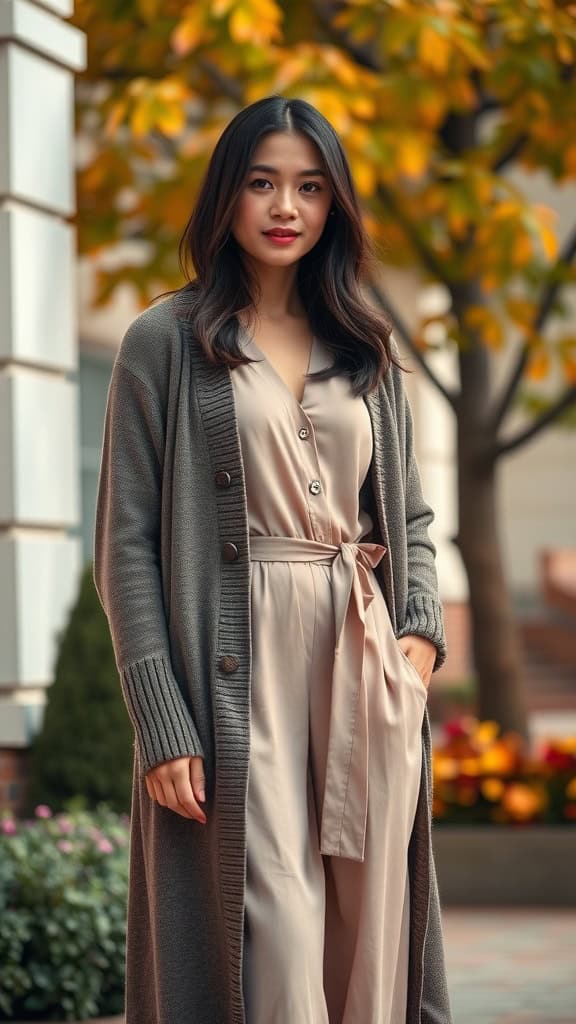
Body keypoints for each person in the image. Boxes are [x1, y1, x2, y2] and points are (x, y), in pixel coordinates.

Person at [93, 94, 453, 1024]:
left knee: (368, 941)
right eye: (262, 183)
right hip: (233, 671)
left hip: (362, 664)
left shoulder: (366, 347)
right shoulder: (163, 342)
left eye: (309, 186)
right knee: (277, 937)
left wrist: (416, 644)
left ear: (335, 205)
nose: (285, 206)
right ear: (227, 194)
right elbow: (125, 542)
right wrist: (161, 718)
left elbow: (409, 515)